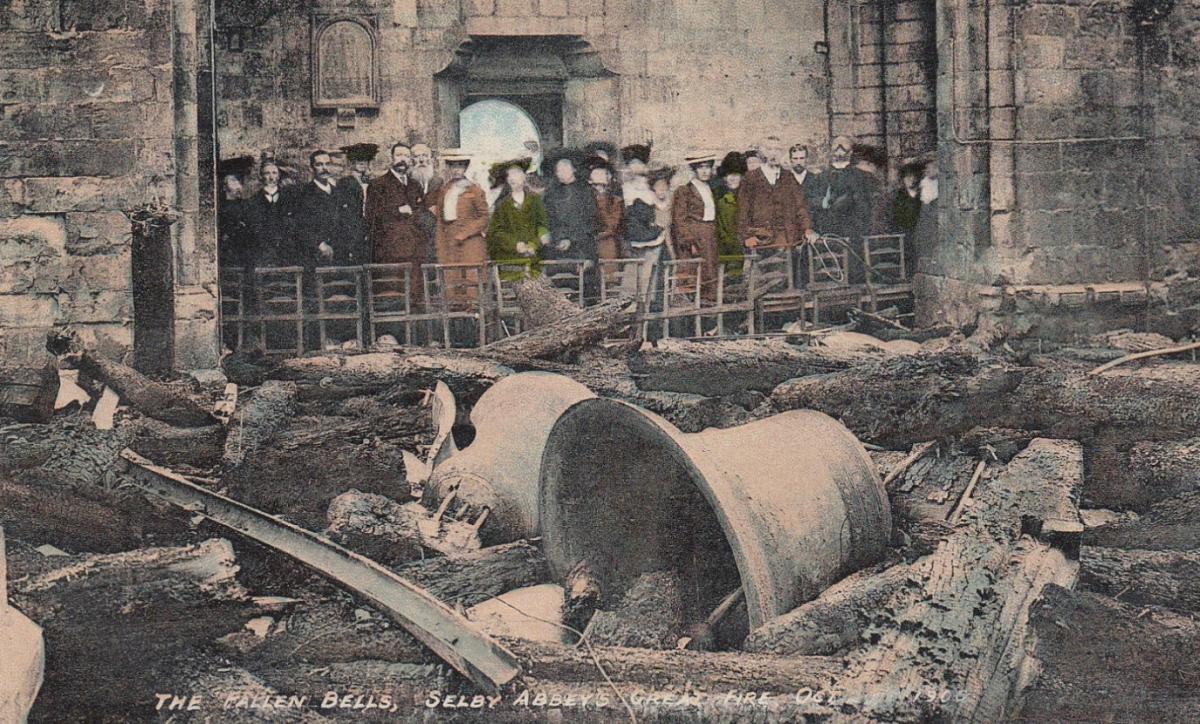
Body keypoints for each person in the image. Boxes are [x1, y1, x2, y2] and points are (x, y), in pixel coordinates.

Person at [366, 142, 429, 299]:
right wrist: (396, 211)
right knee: (393, 296)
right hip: (390, 250)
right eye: (399, 155)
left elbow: (421, 212)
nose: (403, 159)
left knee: (414, 295)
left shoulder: (415, 185)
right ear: (391, 158)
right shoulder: (378, 185)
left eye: (407, 156)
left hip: (414, 249)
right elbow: (372, 215)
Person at [736, 136, 815, 257]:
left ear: (783, 153)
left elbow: (800, 206)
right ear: (763, 152)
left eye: (778, 150)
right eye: (770, 149)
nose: (774, 153)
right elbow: (742, 211)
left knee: (789, 272)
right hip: (761, 239)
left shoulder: (788, 177)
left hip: (787, 239)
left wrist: (807, 229)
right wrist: (746, 237)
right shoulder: (751, 178)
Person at [541, 149, 600, 304]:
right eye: (558, 170)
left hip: (581, 248)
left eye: (564, 169)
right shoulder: (551, 193)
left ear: (573, 169)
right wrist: (555, 238)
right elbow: (548, 219)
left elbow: (590, 222)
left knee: (583, 292)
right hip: (557, 250)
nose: (560, 173)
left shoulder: (585, 192)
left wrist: (571, 239)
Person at [430, 150, 490, 303]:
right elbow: (440, 220)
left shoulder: (474, 189)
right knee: (451, 288)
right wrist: (439, 245)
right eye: (453, 166)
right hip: (450, 244)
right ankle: (455, 324)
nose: (456, 170)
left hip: (470, 244)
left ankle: (476, 322)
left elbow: (484, 217)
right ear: (448, 168)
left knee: (471, 287)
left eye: (460, 166)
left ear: (465, 168)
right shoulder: (445, 190)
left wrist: (465, 233)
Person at [814, 135, 874, 282]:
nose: (839, 151)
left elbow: (865, 206)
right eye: (836, 147)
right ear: (830, 151)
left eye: (844, 147)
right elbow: (815, 204)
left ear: (851, 151)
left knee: (855, 271)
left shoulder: (861, 177)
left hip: (853, 231)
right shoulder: (821, 177)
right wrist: (824, 204)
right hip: (828, 231)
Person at [293, 149, 365, 266]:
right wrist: (319, 244)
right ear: (312, 168)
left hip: (340, 252)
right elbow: (301, 225)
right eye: (319, 165)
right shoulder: (304, 193)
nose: (324, 168)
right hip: (317, 254)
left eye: (327, 164)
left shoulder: (339, 192)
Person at [672, 152, 721, 301]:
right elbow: (679, 219)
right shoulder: (685, 191)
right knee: (697, 273)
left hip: (710, 234)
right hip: (696, 236)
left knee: (711, 270)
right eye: (701, 167)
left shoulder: (711, 188)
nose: (705, 171)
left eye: (708, 167)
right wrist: (689, 241)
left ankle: (711, 307)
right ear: (694, 170)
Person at [622, 156, 667, 314]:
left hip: (651, 239)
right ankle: (631, 306)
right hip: (632, 238)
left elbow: (660, 210)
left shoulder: (650, 193)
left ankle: (646, 307)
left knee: (649, 275)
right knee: (632, 274)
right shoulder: (625, 189)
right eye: (632, 165)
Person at [487, 158, 549, 274]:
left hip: (533, 259)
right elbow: (496, 232)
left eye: (516, 173)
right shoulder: (502, 205)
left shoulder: (535, 200)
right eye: (509, 175)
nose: (512, 178)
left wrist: (535, 243)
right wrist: (515, 244)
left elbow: (543, 226)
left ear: (524, 177)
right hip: (510, 261)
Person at [241, 161, 293, 268]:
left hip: (286, 254)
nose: (271, 177)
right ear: (261, 176)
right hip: (262, 254)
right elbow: (254, 230)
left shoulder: (290, 200)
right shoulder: (251, 202)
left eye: (274, 173)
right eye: (267, 173)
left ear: (278, 176)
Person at [217, 156, 253, 270]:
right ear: (224, 185)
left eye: (239, 181)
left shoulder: (245, 204)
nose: (238, 185)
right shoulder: (220, 206)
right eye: (233, 181)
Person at [589, 159, 624, 261]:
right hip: (588, 245)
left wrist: (602, 199)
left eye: (602, 185)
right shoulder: (585, 199)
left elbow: (612, 225)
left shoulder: (615, 201)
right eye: (595, 185)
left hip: (606, 243)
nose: (598, 189)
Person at [411, 143, 441, 260]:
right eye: (417, 156)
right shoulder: (407, 181)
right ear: (412, 160)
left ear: (430, 159)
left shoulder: (438, 181)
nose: (422, 160)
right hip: (414, 231)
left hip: (433, 231)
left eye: (425, 155)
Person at [714, 152, 746, 258]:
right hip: (725, 244)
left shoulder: (746, 195)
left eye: (736, 175)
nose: (733, 178)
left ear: (742, 176)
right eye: (729, 175)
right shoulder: (719, 196)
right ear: (724, 177)